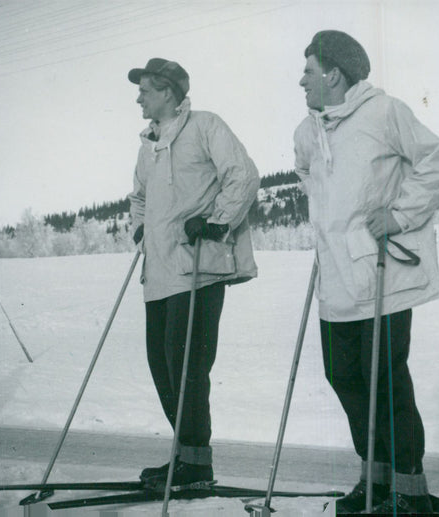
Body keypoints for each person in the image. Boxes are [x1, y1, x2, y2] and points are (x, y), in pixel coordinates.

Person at [294, 30, 439, 514]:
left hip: (384, 273)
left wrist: (400, 214)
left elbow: (437, 160)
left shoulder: (384, 112)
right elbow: (306, 174)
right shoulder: (307, 131)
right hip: (336, 278)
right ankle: (376, 479)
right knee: (344, 376)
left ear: (334, 74)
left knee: (384, 380)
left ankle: (411, 491)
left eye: (308, 70)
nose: (301, 81)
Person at [127, 57, 259, 490]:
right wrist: (139, 228)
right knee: (162, 366)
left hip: (198, 267)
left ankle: (197, 465)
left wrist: (218, 221)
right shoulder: (150, 145)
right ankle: (186, 458)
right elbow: (139, 197)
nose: (139, 98)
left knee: (187, 367)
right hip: (159, 273)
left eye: (145, 90)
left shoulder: (205, 125)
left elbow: (243, 174)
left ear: (167, 91)